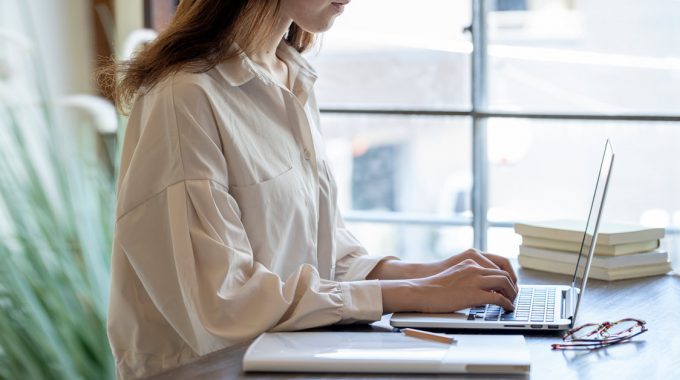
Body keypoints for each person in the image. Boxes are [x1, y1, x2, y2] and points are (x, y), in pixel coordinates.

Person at [101, 0, 518, 378]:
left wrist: (432, 274)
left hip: (292, 359)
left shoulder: (289, 74)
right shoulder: (184, 97)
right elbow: (225, 303)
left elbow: (323, 254)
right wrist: (414, 293)